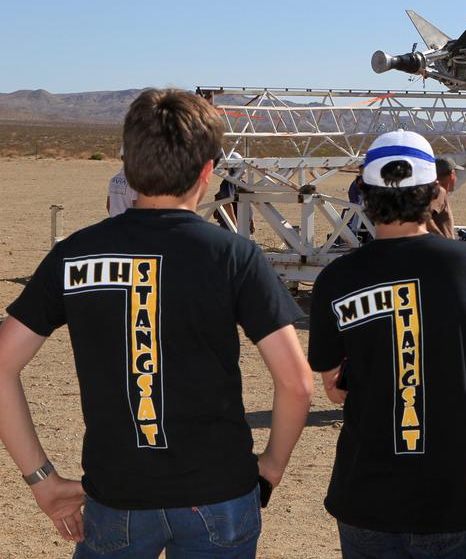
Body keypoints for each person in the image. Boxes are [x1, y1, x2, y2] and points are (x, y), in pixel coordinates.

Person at [0, 88, 312, 556]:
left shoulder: (75, 255)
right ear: (208, 171)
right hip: (218, 495)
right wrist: (271, 466)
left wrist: (41, 478)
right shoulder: (235, 256)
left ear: (127, 165)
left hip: (117, 498)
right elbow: (296, 384)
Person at [309, 129, 466, 559]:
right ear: (435, 192)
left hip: (364, 495)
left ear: (365, 194)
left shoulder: (337, 279)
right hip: (444, 494)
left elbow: (333, 383)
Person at [429, 156, 458, 238]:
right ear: (452, 175)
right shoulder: (439, 192)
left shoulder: (432, 191)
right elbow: (425, 218)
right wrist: (442, 240)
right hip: (440, 248)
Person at [105, 149, 137, 217]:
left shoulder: (113, 180)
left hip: (114, 223)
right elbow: (138, 211)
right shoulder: (135, 182)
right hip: (129, 225)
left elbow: (108, 206)